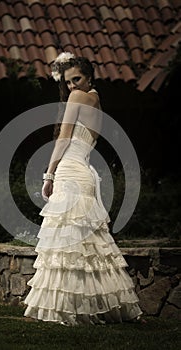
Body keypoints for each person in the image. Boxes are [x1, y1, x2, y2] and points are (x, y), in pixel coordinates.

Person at [23, 52, 143, 326]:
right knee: (88, 245)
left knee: (68, 245)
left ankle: (66, 309)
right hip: (85, 172)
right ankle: (100, 307)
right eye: (67, 82)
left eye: (76, 79)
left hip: (70, 170)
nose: (71, 86)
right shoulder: (97, 104)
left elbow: (64, 137)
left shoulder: (77, 98)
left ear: (89, 77)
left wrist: (48, 174)